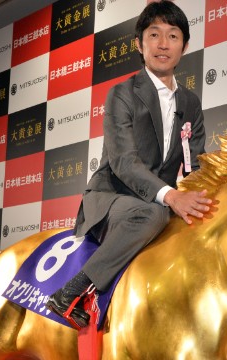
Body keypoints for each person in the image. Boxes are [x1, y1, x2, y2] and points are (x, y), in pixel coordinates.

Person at [46, 0, 212, 329]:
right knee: (154, 212)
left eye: (173, 35)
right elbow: (124, 163)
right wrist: (172, 197)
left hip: (157, 201)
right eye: (154, 34)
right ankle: (71, 291)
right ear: (139, 44)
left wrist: (204, 191)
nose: (163, 44)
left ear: (185, 46)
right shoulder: (121, 94)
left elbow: (196, 162)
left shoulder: (190, 103)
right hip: (112, 197)